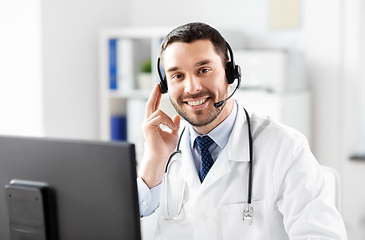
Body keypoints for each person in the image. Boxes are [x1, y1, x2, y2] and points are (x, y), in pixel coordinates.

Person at [137, 22, 348, 240]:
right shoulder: (161, 153)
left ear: (229, 73)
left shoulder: (285, 147)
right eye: (177, 76)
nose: (192, 88)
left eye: (204, 70)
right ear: (165, 85)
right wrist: (153, 162)